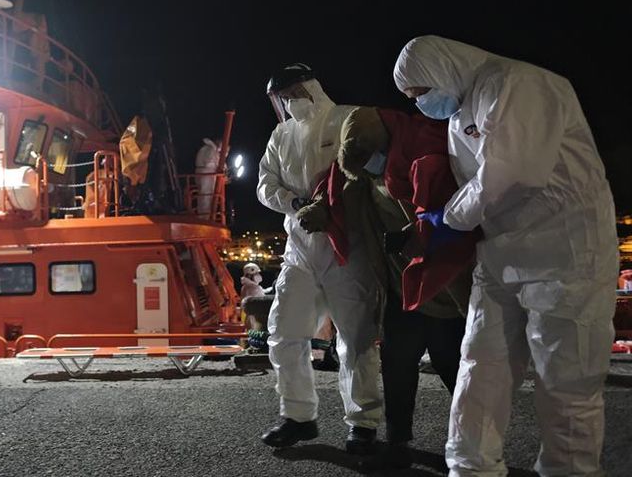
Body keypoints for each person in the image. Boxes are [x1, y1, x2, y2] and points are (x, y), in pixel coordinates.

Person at [394, 35, 619, 476]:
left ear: (442, 68)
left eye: (420, 92)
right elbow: (481, 183)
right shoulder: (461, 115)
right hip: (500, 252)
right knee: (481, 364)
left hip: (567, 252)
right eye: (413, 99)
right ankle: (470, 466)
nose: (421, 104)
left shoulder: (521, 83)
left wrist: (448, 219)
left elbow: (512, 171)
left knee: (565, 380)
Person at [301, 105, 471, 468]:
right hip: (402, 289)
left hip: (443, 289)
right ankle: (398, 442)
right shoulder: (361, 172)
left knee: (453, 367)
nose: (371, 166)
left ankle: (476, 443)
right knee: (397, 366)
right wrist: (318, 208)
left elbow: (460, 209)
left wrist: (423, 233)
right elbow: (333, 187)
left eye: (371, 157)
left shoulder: (428, 157)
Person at [257, 63, 382, 453]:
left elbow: (372, 173)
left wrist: (334, 205)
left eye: (293, 91)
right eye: (282, 96)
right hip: (300, 249)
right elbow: (265, 185)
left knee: (356, 338)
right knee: (283, 331)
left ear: (311, 86)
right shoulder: (281, 135)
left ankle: (363, 424)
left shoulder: (348, 118)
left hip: (348, 247)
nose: (288, 101)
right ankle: (297, 416)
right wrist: (295, 204)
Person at [195, 138, 222, 217]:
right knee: (207, 198)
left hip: (202, 174)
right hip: (207, 176)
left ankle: (203, 216)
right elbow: (209, 163)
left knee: (203, 197)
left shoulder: (205, 148)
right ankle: (205, 217)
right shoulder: (211, 149)